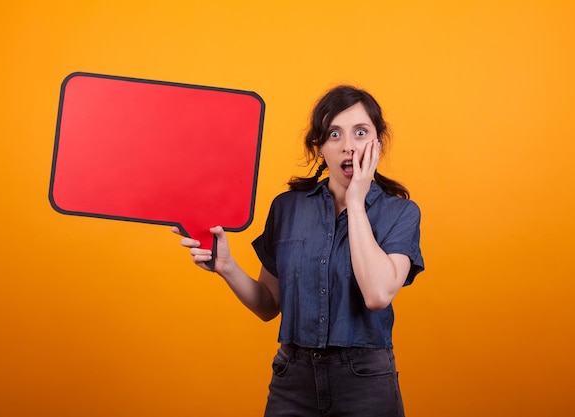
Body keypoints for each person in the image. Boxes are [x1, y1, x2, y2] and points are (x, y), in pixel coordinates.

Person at [172, 85, 424, 417]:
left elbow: (377, 294)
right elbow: (267, 305)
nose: (348, 146)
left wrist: (356, 202)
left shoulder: (400, 213)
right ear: (320, 147)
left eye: (360, 132)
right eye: (334, 134)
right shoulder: (287, 208)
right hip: (293, 380)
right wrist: (226, 266)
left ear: (378, 143)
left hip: (365, 382)